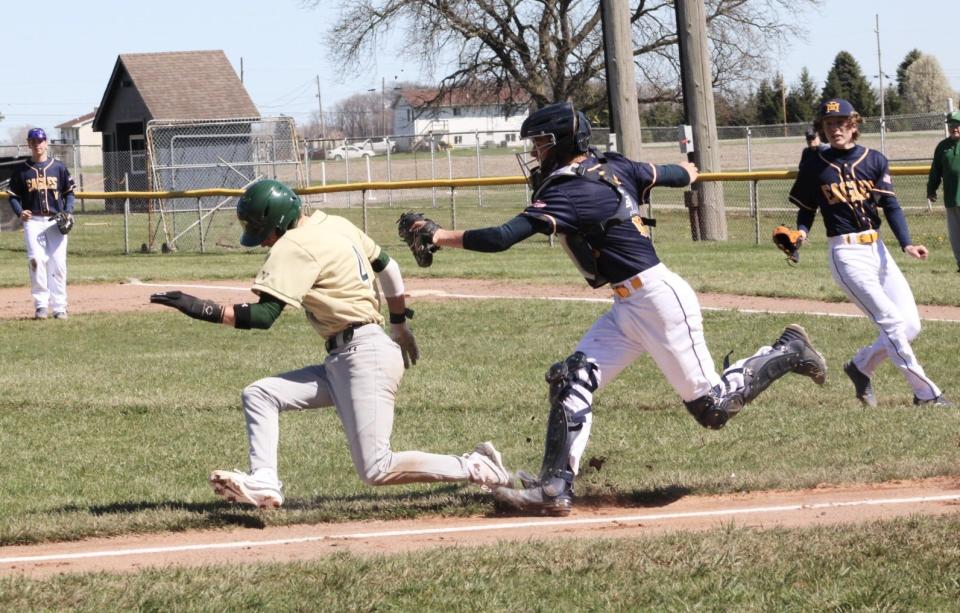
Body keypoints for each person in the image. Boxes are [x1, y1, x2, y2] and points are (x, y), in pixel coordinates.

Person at [408, 102, 827, 516]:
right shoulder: (612, 165)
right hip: (628, 305)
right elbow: (678, 174)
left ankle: (790, 350)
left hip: (659, 301)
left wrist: (439, 235)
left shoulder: (572, 189)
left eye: (539, 142)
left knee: (712, 408)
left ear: (562, 142)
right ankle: (554, 488)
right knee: (571, 378)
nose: (534, 152)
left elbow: (502, 237)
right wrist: (687, 169)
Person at [150, 179, 510, 509]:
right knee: (261, 394)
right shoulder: (334, 223)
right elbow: (389, 267)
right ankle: (264, 482)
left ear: (279, 222)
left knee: (376, 468)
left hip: (363, 358)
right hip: (351, 354)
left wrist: (200, 308)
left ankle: (475, 466)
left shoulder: (293, 246)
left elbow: (263, 316)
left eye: (262, 232)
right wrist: (399, 325)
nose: (260, 240)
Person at [790, 98, 952, 409]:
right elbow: (807, 210)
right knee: (890, 321)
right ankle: (926, 394)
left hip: (877, 250)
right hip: (845, 254)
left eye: (841, 123)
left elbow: (890, 204)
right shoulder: (814, 165)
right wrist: (801, 234)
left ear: (853, 125)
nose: (835, 129)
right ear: (822, 130)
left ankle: (860, 366)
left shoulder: (873, 159)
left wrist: (906, 242)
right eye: (828, 124)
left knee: (910, 325)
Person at [6, 128, 75, 319]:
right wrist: (20, 212)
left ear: (46, 143)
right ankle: (41, 305)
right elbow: (12, 196)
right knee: (36, 260)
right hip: (33, 221)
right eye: (33, 141)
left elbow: (69, 192)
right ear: (29, 144)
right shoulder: (22, 170)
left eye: (41, 140)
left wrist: (68, 212)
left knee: (58, 264)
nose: (37, 144)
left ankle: (60, 307)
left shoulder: (58, 167)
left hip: (55, 222)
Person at [926, 110, 960, 272]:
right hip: (951, 198)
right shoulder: (942, 147)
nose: (954, 128)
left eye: (958, 125)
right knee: (955, 236)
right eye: (951, 125)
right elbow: (935, 171)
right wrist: (931, 189)